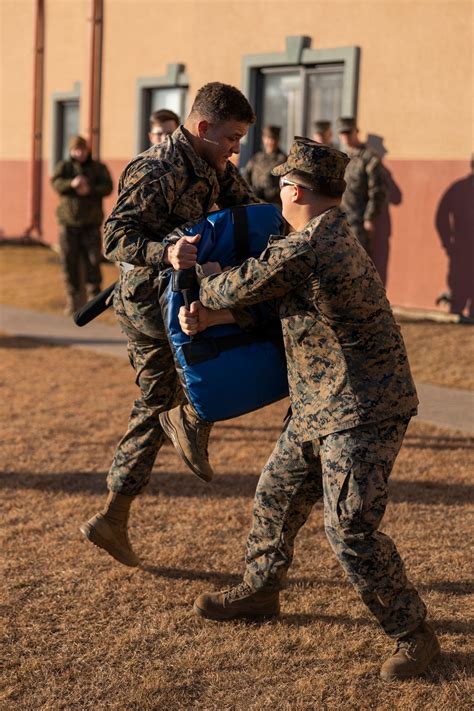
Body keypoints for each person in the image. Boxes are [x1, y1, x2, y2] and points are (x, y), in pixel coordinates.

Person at [179, 137, 440, 682]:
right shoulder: (319, 237)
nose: (277, 190)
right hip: (320, 399)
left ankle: (413, 635)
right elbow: (282, 307)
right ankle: (259, 592)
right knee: (276, 494)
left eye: (280, 183)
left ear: (294, 189)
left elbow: (242, 285)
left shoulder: (308, 246)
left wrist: (194, 270)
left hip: (363, 406)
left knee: (350, 529)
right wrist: (214, 320)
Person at [79, 82, 259, 568]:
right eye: (231, 137)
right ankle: (116, 512)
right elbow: (115, 236)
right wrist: (165, 251)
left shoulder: (216, 168)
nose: (236, 148)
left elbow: (253, 213)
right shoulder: (157, 167)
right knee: (165, 394)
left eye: (241, 139)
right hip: (145, 304)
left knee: (172, 390)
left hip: (179, 294)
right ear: (202, 128)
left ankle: (115, 515)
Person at [51, 136, 113, 314]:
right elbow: (55, 183)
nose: (79, 153)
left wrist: (90, 189)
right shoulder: (65, 167)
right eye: (76, 150)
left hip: (91, 223)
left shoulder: (97, 168)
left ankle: (95, 298)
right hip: (68, 223)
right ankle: (73, 299)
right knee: (68, 261)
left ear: (88, 151)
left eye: (82, 150)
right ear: (71, 151)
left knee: (93, 260)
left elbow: (108, 187)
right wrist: (71, 183)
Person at [337, 117, 387, 257]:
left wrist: (370, 217)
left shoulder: (369, 158)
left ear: (356, 132)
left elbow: (377, 190)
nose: (345, 136)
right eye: (342, 133)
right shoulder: (340, 157)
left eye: (348, 132)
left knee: (359, 262)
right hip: (339, 220)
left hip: (358, 222)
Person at [243, 126, 287, 205]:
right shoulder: (256, 158)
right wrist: (252, 192)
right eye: (268, 138)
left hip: (273, 204)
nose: (270, 142)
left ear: (278, 140)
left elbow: (286, 185)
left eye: (274, 139)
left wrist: (270, 193)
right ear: (263, 139)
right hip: (255, 202)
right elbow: (245, 177)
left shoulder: (283, 160)